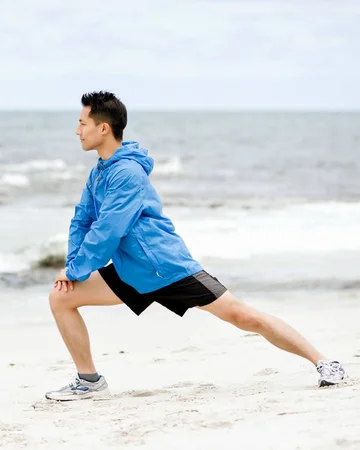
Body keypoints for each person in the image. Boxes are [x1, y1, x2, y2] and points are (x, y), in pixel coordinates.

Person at [45, 90, 346, 401]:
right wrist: (73, 266)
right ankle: (90, 381)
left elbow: (109, 229)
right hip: (132, 270)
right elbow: (82, 221)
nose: (77, 131)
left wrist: (77, 268)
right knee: (61, 298)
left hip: (165, 267)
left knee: (242, 316)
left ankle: (324, 362)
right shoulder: (100, 172)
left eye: (82, 123)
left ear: (103, 128)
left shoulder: (127, 173)